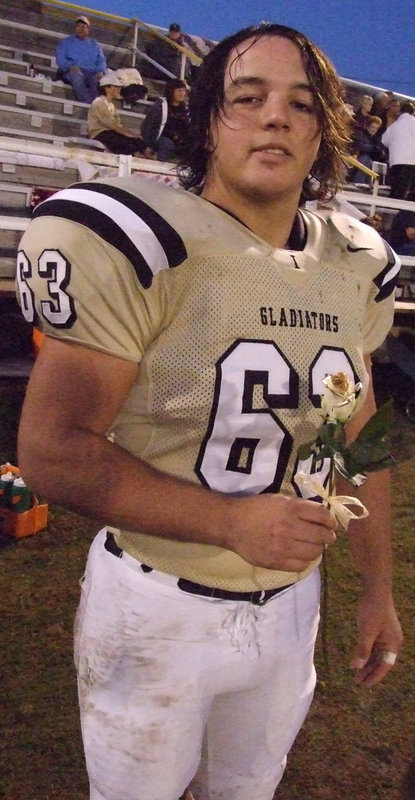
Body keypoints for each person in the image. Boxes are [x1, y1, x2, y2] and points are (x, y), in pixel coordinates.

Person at [16, 22, 403, 800]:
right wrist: (228, 523)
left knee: (248, 790)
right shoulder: (144, 241)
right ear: (207, 119)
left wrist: (376, 590)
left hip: (292, 605)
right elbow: (53, 450)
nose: (274, 117)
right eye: (247, 97)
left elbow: (356, 433)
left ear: (324, 131)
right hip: (157, 601)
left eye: (299, 104)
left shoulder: (353, 259)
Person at [87, 71, 152, 157]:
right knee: (123, 142)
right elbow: (111, 125)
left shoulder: (111, 105)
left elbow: (118, 126)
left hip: (111, 132)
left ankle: (148, 156)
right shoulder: (99, 102)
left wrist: (134, 135)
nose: (119, 90)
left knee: (139, 142)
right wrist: (130, 135)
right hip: (100, 134)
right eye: (116, 87)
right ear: (107, 88)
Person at [56, 15, 107, 104]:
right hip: (73, 71)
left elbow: (101, 61)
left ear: (88, 29)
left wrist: (101, 71)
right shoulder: (66, 42)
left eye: (83, 27)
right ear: (75, 28)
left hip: (91, 73)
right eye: (78, 26)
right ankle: (87, 102)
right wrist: (69, 66)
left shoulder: (95, 44)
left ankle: (95, 104)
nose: (81, 29)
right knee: (77, 77)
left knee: (98, 82)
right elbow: (60, 58)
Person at [140, 78, 189, 161]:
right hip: (162, 139)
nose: (182, 93)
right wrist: (147, 145)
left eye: (184, 91)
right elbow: (148, 125)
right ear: (171, 91)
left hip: (180, 141)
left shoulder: (185, 109)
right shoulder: (161, 105)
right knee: (166, 143)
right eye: (179, 90)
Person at [382, 101, 415, 199]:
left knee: (395, 189)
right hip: (410, 162)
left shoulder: (394, 126)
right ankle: (395, 212)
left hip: (395, 162)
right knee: (403, 190)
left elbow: (384, 141)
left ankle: (388, 210)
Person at [350, 115, 387, 183]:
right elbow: (361, 146)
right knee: (366, 160)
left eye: (376, 128)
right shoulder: (361, 134)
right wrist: (374, 148)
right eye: (373, 127)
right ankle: (358, 182)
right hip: (359, 157)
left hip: (371, 159)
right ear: (367, 126)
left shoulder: (376, 139)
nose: (374, 130)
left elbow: (381, 149)